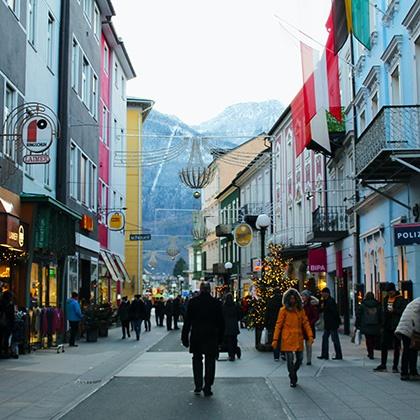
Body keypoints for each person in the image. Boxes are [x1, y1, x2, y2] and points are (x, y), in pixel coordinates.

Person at [182, 282, 224, 397]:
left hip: (197, 335)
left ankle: (198, 384)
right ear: (210, 290)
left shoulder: (193, 302)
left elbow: (187, 322)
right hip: (211, 335)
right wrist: (221, 339)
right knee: (210, 360)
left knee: (197, 359)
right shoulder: (216, 303)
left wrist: (184, 337)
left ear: (200, 290)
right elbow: (221, 323)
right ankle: (208, 386)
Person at [272, 288, 313, 388]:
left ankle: (293, 372)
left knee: (300, 358)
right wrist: (275, 339)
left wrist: (310, 335)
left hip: (298, 337)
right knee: (289, 360)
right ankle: (293, 378)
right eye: (290, 299)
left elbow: (306, 323)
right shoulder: (283, 311)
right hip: (288, 338)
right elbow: (278, 325)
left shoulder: (300, 310)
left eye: (294, 298)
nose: (292, 301)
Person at [374, 282, 407, 373]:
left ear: (394, 291)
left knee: (396, 346)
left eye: (390, 292)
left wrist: (394, 311)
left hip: (396, 326)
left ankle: (395, 366)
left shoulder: (400, 299)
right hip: (386, 325)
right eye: (388, 292)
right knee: (384, 345)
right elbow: (383, 311)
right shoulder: (385, 299)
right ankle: (383, 364)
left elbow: (402, 311)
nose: (389, 294)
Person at [395, 297, 420, 380]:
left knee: (411, 350)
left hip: (406, 328)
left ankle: (410, 372)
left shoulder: (416, 301)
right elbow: (416, 318)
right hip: (409, 329)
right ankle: (406, 372)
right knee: (409, 350)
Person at [317, 287, 343, 360]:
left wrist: (337, 321)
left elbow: (334, 312)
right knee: (326, 338)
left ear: (326, 293)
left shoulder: (330, 301)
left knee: (334, 339)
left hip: (331, 323)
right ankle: (325, 354)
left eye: (323, 293)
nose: (322, 294)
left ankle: (337, 355)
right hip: (329, 323)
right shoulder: (326, 301)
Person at [355, 292, 382, 359]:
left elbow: (358, 315)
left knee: (368, 339)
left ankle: (370, 352)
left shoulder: (363, 305)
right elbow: (381, 315)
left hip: (366, 324)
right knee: (373, 338)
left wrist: (357, 324)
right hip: (375, 324)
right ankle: (372, 350)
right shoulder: (377, 305)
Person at [301, 290, 319, 365]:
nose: (302, 297)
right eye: (302, 296)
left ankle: (309, 360)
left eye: (304, 296)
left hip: (309, 327)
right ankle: (300, 358)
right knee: (300, 345)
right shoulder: (301, 305)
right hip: (301, 327)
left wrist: (310, 323)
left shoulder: (311, 305)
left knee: (308, 345)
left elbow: (316, 316)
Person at [265, 289, 283, 361]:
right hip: (282, 322)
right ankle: (283, 353)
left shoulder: (270, 301)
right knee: (283, 338)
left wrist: (266, 323)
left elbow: (267, 313)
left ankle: (276, 355)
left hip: (273, 323)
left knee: (275, 339)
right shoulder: (283, 301)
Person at [222, 294, 241, 361]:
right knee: (234, 340)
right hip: (234, 326)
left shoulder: (224, 306)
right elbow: (239, 315)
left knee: (229, 341)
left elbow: (221, 316)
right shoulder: (235, 306)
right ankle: (234, 351)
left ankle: (231, 355)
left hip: (227, 326)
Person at [0, 291, 15, 357]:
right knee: (6, 337)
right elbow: (12, 315)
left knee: (1, 337)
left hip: (1, 322)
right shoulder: (10, 304)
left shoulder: (1, 302)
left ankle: (2, 351)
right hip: (7, 323)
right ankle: (6, 351)